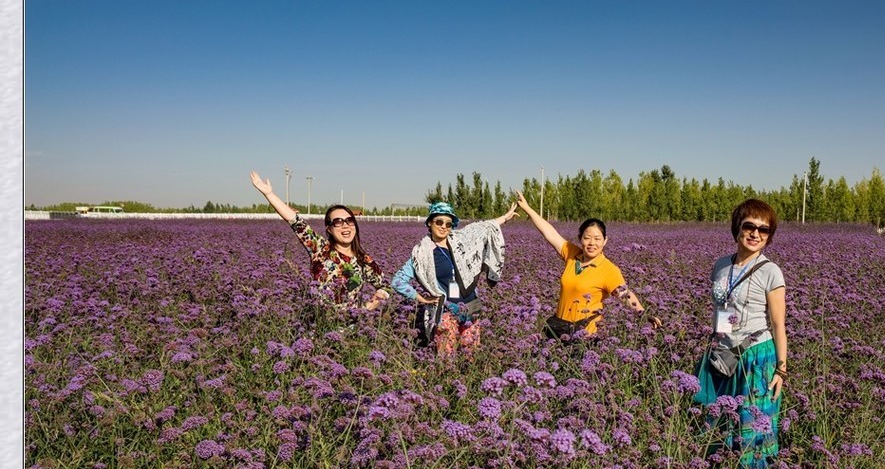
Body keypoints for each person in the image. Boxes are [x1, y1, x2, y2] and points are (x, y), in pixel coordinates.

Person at [694, 199, 788, 469]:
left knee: (753, 428)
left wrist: (781, 370)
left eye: (764, 229)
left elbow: (778, 325)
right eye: (750, 226)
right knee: (715, 424)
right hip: (721, 353)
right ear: (738, 227)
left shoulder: (771, 272)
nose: (755, 233)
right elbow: (720, 308)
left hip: (756, 356)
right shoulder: (721, 265)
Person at [513, 191, 660, 338]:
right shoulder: (572, 255)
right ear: (580, 239)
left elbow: (625, 295)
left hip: (585, 337)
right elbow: (550, 233)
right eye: (587, 238)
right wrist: (527, 209)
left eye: (597, 238)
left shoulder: (608, 269)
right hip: (559, 329)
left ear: (605, 241)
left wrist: (644, 315)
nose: (592, 243)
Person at [391, 200, 519, 356]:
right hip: (446, 312)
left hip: (471, 307)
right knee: (446, 360)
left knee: (470, 357)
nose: (444, 226)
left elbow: (482, 229)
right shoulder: (421, 253)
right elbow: (397, 281)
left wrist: (505, 217)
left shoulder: (461, 242)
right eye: (439, 222)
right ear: (430, 223)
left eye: (448, 223)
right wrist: (422, 299)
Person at [250, 170, 390, 312]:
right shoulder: (320, 248)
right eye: (338, 222)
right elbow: (294, 220)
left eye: (349, 221)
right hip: (318, 328)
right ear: (329, 229)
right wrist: (268, 194)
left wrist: (368, 307)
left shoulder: (363, 260)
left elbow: (385, 286)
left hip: (350, 330)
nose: (345, 225)